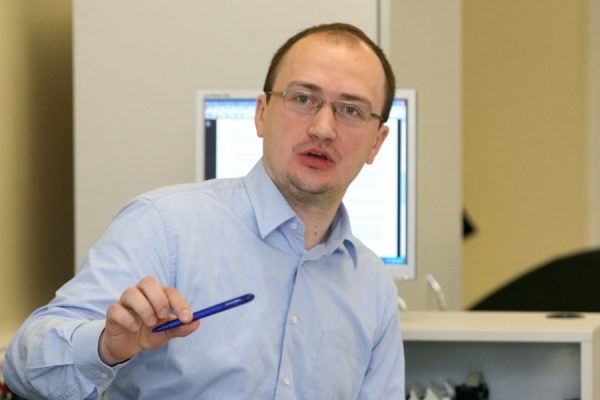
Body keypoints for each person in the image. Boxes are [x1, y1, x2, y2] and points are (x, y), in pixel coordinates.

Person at [3, 22, 404, 399]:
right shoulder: (163, 226)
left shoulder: (373, 286)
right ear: (261, 114)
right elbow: (22, 367)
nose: (323, 128)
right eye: (302, 98)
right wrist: (105, 347)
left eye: (351, 110)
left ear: (377, 143)